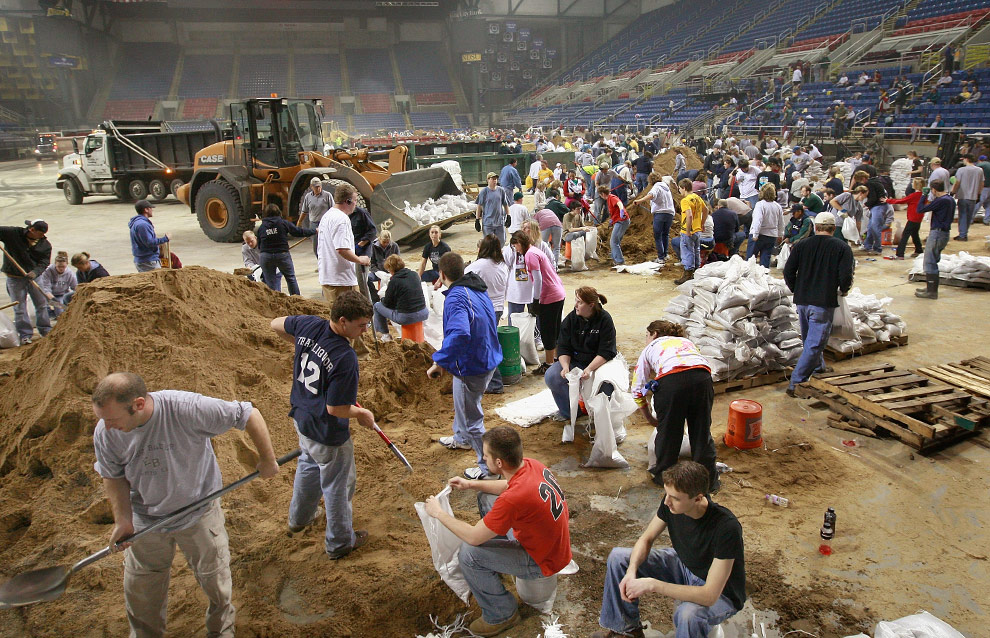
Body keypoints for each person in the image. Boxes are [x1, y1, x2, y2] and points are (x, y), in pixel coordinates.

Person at [91, 372, 279, 638]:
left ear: (139, 405)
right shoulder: (106, 432)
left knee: (215, 580)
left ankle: (220, 630)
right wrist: (123, 519)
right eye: (102, 420)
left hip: (198, 511)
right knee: (141, 589)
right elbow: (113, 475)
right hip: (145, 519)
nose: (107, 427)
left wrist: (268, 460)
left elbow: (248, 414)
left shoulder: (185, 409)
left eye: (112, 419)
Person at [423, 426, 572, 637]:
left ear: (499, 462)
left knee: (469, 555)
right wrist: (471, 484)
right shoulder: (532, 465)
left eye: (485, 455)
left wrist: (438, 513)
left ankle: (501, 615)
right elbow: (510, 486)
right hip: (551, 545)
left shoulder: (514, 499)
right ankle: (497, 566)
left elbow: (473, 537)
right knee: (486, 496)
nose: (483, 458)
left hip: (541, 561)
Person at [271, 291, 377, 558]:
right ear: (343, 321)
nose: (365, 330)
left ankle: (300, 519)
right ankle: (340, 543)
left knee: (308, 466)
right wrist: (361, 415)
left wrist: (300, 344)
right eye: (361, 325)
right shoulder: (345, 357)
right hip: (327, 431)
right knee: (338, 485)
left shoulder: (309, 324)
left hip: (302, 418)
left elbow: (275, 324)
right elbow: (336, 408)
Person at [592, 460, 744, 638]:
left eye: (675, 498)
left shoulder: (726, 528)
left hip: (721, 592)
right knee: (619, 558)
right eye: (667, 494)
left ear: (698, 498)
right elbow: (646, 539)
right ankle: (627, 631)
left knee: (689, 615)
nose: (667, 502)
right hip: (685, 564)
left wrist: (652, 584)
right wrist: (631, 571)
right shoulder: (670, 504)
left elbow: (709, 595)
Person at [427, 252, 502, 480]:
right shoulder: (475, 289)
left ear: (441, 274)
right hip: (486, 358)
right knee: (462, 402)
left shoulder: (457, 297)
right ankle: (461, 439)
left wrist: (439, 361)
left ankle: (489, 470)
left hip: (472, 366)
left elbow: (460, 333)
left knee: (472, 420)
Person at [631, 319, 718, 490]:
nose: (646, 340)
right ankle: (709, 481)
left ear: (654, 334)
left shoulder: (651, 347)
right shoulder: (687, 342)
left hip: (673, 381)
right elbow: (695, 363)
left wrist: (649, 417)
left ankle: (664, 477)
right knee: (701, 432)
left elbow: (637, 388)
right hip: (702, 379)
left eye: (647, 336)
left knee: (669, 432)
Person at [783, 212, 854, 395]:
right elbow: (846, 275)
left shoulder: (802, 245)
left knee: (809, 340)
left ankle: (818, 367)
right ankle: (796, 383)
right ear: (833, 228)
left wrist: (796, 289)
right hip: (822, 303)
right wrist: (844, 289)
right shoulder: (842, 248)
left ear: (816, 227)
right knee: (815, 343)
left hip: (802, 301)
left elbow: (788, 271)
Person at [544, 287, 618, 421]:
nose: (575, 305)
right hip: (576, 359)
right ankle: (570, 412)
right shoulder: (571, 319)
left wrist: (589, 369)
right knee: (552, 376)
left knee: (607, 384)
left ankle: (600, 417)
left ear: (591, 305)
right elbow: (563, 346)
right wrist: (565, 366)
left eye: (580, 302)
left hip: (599, 362)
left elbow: (606, 351)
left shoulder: (604, 319)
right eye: (576, 301)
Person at [317, 183, 372, 355]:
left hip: (328, 275)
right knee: (353, 319)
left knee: (338, 319)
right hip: (341, 278)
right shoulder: (342, 219)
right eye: (355, 201)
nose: (356, 204)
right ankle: (357, 355)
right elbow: (341, 249)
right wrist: (360, 259)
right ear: (348, 201)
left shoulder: (327, 216)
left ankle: (343, 352)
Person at [510, 229, 565, 374]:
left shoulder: (530, 255)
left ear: (520, 244)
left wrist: (536, 300)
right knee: (556, 329)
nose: (515, 249)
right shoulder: (535, 250)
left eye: (515, 246)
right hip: (558, 293)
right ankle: (558, 359)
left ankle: (548, 363)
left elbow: (538, 279)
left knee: (547, 331)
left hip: (549, 296)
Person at [466, 234, 510, 393]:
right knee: (487, 343)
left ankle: (495, 383)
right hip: (498, 308)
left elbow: (463, 284)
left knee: (485, 346)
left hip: (483, 310)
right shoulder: (503, 265)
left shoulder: (476, 266)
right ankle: (489, 380)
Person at [1, 219, 52, 345]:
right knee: (20, 308)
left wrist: (35, 272)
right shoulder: (13, 234)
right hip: (15, 278)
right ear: (32, 230)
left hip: (35, 278)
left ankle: (45, 330)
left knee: (41, 304)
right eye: (40, 234)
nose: (42, 237)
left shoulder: (44, 245)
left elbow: (44, 262)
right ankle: (25, 335)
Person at [257, 203, 314, 295]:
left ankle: (273, 303)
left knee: (270, 282)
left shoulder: (262, 227)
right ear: (279, 212)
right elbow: (298, 232)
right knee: (290, 278)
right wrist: (314, 231)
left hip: (266, 256)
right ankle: (297, 301)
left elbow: (259, 245)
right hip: (282, 254)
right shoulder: (283, 223)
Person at [915, 179, 955, 300]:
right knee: (933, 260)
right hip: (943, 233)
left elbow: (920, 209)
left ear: (933, 189)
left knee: (930, 261)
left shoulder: (941, 201)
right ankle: (929, 288)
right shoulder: (950, 199)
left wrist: (923, 195)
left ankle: (932, 292)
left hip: (937, 233)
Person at [372, 254, 429, 340]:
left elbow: (387, 303)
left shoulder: (394, 281)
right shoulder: (414, 274)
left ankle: (385, 335)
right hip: (423, 312)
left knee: (377, 306)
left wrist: (382, 299)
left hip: (407, 317)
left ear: (390, 269)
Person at [633, 173, 676, 263]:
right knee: (665, 234)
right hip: (670, 213)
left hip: (660, 213)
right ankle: (665, 255)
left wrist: (639, 201)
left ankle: (660, 258)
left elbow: (651, 195)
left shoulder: (657, 186)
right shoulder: (666, 187)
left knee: (658, 235)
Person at [674, 179, 709, 285]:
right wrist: (702, 224)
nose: (679, 191)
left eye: (680, 188)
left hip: (688, 230)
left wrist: (688, 230)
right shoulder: (697, 197)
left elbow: (689, 215)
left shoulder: (685, 200)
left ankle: (688, 273)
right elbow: (706, 210)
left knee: (687, 252)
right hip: (697, 230)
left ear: (683, 188)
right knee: (696, 251)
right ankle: (696, 272)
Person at [887, 177, 925, 259]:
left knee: (905, 236)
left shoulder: (914, 195)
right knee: (915, 234)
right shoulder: (924, 195)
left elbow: (901, 201)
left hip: (912, 217)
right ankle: (919, 250)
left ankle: (900, 254)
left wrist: (888, 201)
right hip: (919, 217)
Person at [128, 200, 170, 272]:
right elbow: (149, 242)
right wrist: (165, 238)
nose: (152, 210)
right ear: (146, 210)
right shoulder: (142, 225)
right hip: (148, 261)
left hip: (144, 260)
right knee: (156, 281)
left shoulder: (137, 223)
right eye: (150, 208)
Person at [747, 183, 783, 267]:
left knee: (751, 259)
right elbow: (781, 222)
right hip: (771, 235)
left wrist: (755, 234)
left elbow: (757, 220)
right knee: (765, 258)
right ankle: (764, 276)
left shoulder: (760, 205)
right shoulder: (777, 206)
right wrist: (780, 234)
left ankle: (748, 277)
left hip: (759, 234)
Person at [951, 154, 984, 241]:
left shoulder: (961, 170)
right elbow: (981, 184)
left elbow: (957, 182)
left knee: (963, 215)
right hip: (973, 196)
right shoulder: (979, 170)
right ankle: (964, 232)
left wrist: (953, 192)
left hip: (963, 195)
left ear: (966, 159)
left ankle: (962, 235)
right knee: (969, 216)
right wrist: (979, 194)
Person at [298, 176, 333, 256]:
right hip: (313, 224)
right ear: (311, 187)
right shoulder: (308, 196)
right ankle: (320, 263)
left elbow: (333, 210)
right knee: (316, 246)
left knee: (326, 244)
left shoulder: (327, 195)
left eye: (319, 186)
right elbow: (304, 211)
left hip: (325, 223)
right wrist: (299, 222)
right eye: (316, 187)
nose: (318, 188)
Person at [348, 202, 377, 299]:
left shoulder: (362, 213)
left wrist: (361, 244)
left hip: (361, 253)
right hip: (349, 251)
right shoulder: (342, 215)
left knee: (362, 284)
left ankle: (367, 307)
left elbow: (373, 232)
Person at [476, 172, 512, 243]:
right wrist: (477, 220)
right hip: (488, 223)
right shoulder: (484, 192)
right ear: (488, 180)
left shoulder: (501, 190)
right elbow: (479, 206)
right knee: (489, 243)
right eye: (493, 179)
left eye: (496, 179)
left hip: (499, 222)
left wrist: (508, 216)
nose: (495, 180)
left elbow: (505, 204)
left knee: (501, 241)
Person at [38, 250, 76, 318]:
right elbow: (45, 288)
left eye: (63, 267)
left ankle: (57, 315)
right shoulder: (47, 271)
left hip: (61, 295)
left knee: (60, 311)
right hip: (48, 295)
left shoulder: (70, 274)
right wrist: (53, 299)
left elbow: (75, 287)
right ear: (55, 264)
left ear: (67, 264)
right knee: (42, 306)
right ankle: (50, 313)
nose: (61, 269)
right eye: (59, 267)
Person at [601, 185, 630, 265]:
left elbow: (619, 203)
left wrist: (621, 211)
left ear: (603, 194)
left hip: (622, 221)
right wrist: (612, 220)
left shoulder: (612, 197)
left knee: (613, 241)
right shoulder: (609, 199)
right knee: (616, 240)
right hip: (619, 220)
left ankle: (619, 260)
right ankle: (614, 256)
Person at [368, 229, 399, 302]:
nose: (385, 244)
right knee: (367, 279)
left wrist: (392, 272)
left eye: (387, 242)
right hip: (377, 271)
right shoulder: (373, 246)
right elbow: (371, 263)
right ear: (379, 239)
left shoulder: (394, 246)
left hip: (391, 271)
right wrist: (377, 272)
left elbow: (398, 261)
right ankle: (375, 297)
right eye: (384, 242)